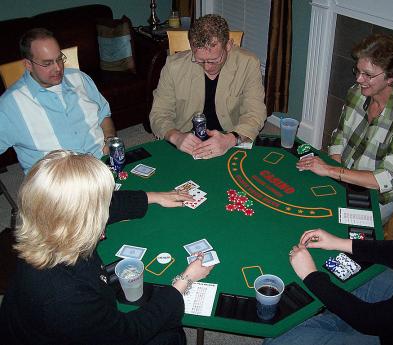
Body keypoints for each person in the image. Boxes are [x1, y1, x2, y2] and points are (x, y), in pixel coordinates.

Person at [266, 129, 393, 345]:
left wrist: (311, 276)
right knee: (348, 271)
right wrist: (340, 243)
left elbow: (368, 319)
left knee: (277, 340)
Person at [0, 150, 213, 344]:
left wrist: (154, 197)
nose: (107, 206)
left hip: (42, 322)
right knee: (170, 336)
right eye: (101, 204)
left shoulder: (46, 223)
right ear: (81, 219)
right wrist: (183, 282)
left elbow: (106, 205)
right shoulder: (65, 296)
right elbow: (128, 334)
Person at [297, 34, 393, 224]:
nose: (359, 79)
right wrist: (335, 171)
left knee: (332, 227)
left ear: (390, 77)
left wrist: (332, 172)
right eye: (357, 70)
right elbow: (340, 135)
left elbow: (385, 178)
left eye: (368, 75)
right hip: (344, 174)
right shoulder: (356, 93)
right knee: (302, 202)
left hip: (378, 196)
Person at [149, 14, 267, 159]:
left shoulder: (248, 63)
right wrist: (176, 136)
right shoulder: (173, 66)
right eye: (199, 60)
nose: (207, 67)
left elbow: (255, 113)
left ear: (228, 45)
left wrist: (231, 139)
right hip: (186, 139)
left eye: (214, 60)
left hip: (230, 136)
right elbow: (159, 113)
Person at [0, 28, 116, 174]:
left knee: (146, 190)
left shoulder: (79, 78)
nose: (58, 68)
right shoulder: (10, 104)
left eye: (59, 58)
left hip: (102, 165)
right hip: (58, 183)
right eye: (47, 63)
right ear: (28, 65)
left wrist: (110, 138)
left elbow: (104, 115)